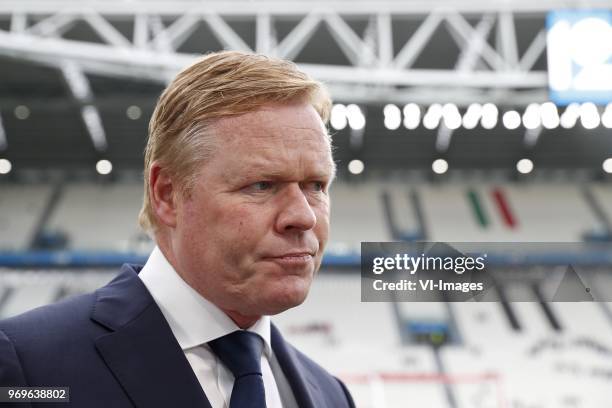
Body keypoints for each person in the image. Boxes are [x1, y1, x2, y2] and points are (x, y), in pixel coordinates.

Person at [0, 51, 355, 408]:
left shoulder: (332, 396)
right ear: (167, 194)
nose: (303, 216)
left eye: (316, 186)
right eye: (262, 185)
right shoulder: (27, 365)